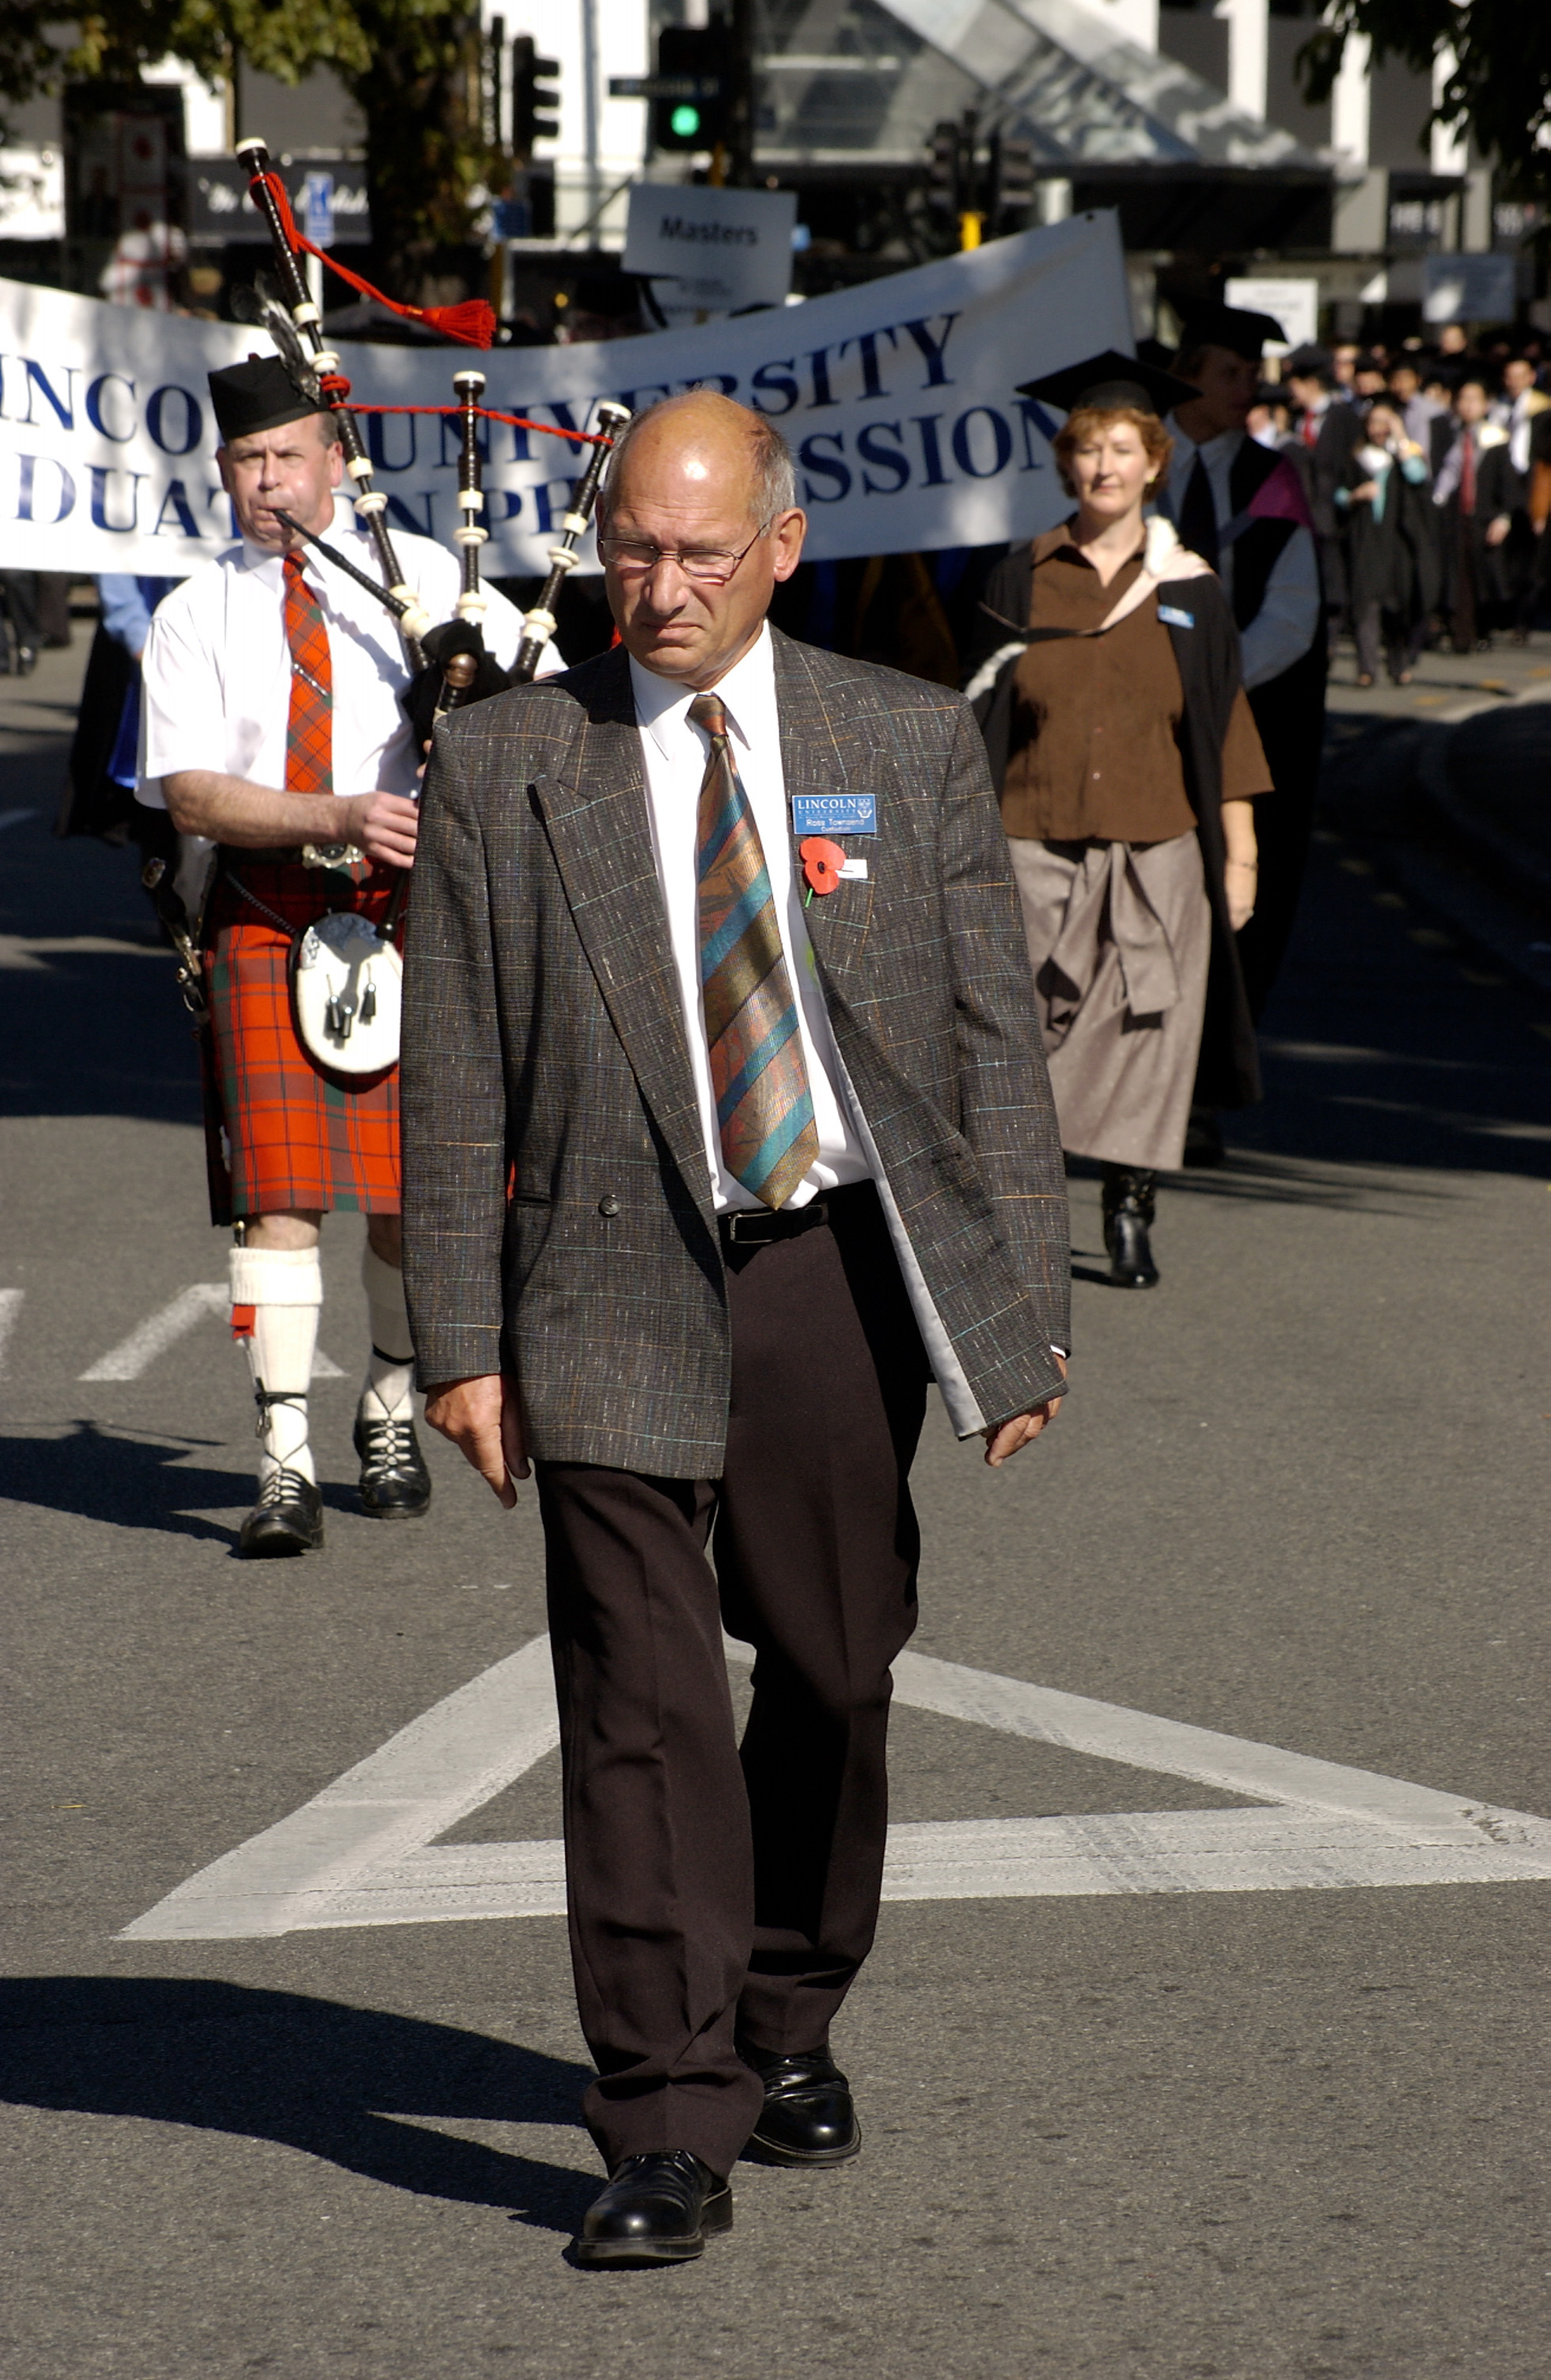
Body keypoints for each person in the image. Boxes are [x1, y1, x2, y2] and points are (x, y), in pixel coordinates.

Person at [399, 389, 1070, 2266]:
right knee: (637, 1700)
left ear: (783, 547)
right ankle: (666, 2107)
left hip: (831, 1274)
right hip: (602, 1269)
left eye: (702, 552)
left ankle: (784, 2008)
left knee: (837, 1667)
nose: (663, 585)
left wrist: (1019, 1314)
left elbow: (989, 1045)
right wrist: (455, 1334)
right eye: (632, 547)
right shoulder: (508, 758)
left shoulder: (902, 740)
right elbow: (452, 1069)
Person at [138, 355, 538, 1558]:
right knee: (280, 1200)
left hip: (419, 915)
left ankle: (387, 1404)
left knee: (413, 1201)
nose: (268, 482)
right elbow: (190, 795)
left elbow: (542, 723)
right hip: (266, 906)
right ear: (223, 473)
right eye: (246, 462)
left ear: (335, 458)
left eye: (287, 456)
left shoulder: (433, 586)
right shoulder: (195, 612)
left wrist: (482, 715)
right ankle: (284, 1462)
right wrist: (337, 814)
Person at [963, 351, 1269, 1287]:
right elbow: (971, 722)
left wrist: (1241, 856)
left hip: (1156, 853)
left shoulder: (1189, 588)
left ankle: (1129, 1205)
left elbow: (1222, 722)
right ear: (1067, 461)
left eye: (1123, 449)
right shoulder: (1018, 577)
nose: (1105, 466)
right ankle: (1019, 1218)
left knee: (1145, 1037)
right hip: (1032, 848)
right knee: (1021, 1040)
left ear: (1153, 462)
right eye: (1089, 448)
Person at [1159, 307, 1324, 1045]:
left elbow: (1292, 615)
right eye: (1230, 372)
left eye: (1253, 373)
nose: (1247, 387)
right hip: (1140, 723)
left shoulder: (1273, 479)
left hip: (1242, 715)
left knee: (1242, 888)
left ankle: (1220, 1051)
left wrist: (1213, 685)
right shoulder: (1133, 466)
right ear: (1186, 375)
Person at [1337, 397, 1440, 686]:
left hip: (1396, 542)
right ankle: (1367, 668)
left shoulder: (1403, 456)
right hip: (1366, 540)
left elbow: (1418, 476)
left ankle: (1398, 663)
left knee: (1398, 605)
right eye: (1374, 422)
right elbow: (1338, 494)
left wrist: (1400, 437)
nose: (1379, 429)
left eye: (1386, 422)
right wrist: (1355, 495)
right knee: (1365, 604)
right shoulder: (1357, 458)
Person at [1432, 378, 1518, 653]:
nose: (1468, 406)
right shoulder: (1448, 434)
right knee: (1458, 575)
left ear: (1486, 404)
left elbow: (1508, 483)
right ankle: (1460, 632)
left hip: (1484, 516)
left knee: (1484, 575)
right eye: (1463, 399)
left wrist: (1503, 517)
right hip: (1455, 517)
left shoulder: (1496, 438)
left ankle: (1484, 628)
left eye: (1474, 399)